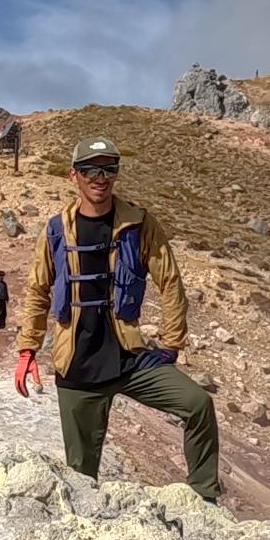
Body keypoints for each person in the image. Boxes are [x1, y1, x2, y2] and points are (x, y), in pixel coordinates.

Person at [13, 137, 222, 503]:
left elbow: (169, 280)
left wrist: (172, 343)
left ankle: (205, 496)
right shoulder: (56, 230)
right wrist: (27, 348)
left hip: (130, 357)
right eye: (91, 169)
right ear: (73, 175)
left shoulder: (139, 223)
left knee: (198, 404)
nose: (101, 177)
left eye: (109, 168)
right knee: (80, 474)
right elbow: (37, 290)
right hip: (77, 365)